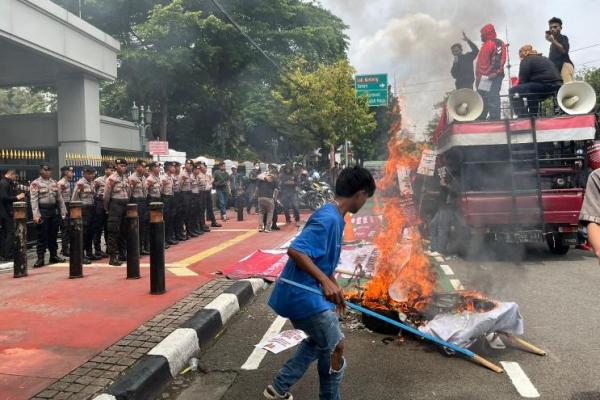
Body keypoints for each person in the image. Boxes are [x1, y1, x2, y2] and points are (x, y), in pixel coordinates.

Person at [265, 166, 376, 400]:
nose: (365, 202)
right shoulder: (328, 218)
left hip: (304, 295)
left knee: (319, 341)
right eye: (367, 197)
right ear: (360, 194)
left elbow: (322, 261)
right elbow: (296, 250)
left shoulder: (336, 217)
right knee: (335, 346)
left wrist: (333, 285)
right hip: (301, 296)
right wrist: (325, 281)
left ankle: (278, 387)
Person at [509, 45, 562, 117]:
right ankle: (532, 115)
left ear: (524, 53)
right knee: (530, 91)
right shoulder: (543, 58)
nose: (520, 56)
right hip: (557, 85)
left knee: (513, 91)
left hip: (545, 85)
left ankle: (522, 115)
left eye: (520, 53)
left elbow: (523, 81)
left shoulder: (526, 60)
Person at [30, 164, 67, 267]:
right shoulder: (35, 183)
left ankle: (53, 256)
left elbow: (59, 198)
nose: (48, 172)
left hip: (53, 211)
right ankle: (40, 258)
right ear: (41, 171)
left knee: (53, 235)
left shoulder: (54, 182)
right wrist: (36, 215)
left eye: (49, 170)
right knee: (42, 236)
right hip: (42, 210)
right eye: (46, 170)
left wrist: (63, 211)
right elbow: (34, 201)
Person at [476, 24, 506, 120]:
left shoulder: (497, 42)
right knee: (482, 97)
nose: (480, 36)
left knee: (492, 95)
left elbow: (498, 57)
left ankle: (495, 118)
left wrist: (495, 72)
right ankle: (481, 117)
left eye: (482, 34)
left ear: (487, 33)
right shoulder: (485, 45)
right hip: (484, 77)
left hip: (493, 75)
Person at [104, 159, 131, 266]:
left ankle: (122, 253)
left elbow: (128, 192)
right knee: (113, 231)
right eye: (120, 165)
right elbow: (106, 196)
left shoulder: (126, 178)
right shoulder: (111, 179)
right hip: (115, 205)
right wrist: (107, 208)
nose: (123, 167)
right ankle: (113, 257)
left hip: (125, 204)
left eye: (124, 165)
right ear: (116, 166)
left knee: (124, 230)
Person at [71, 166, 97, 263]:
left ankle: (89, 253)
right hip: (84, 210)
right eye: (89, 174)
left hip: (91, 208)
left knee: (91, 232)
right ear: (84, 174)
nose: (91, 175)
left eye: (92, 174)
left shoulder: (92, 182)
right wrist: (75, 211)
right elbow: (74, 198)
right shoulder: (80, 183)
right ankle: (81, 255)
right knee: (84, 233)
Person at [0, 169, 26, 261]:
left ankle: (4, 253)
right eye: (15, 176)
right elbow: (4, 197)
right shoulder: (4, 183)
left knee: (5, 233)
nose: (15, 178)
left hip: (4, 212)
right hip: (5, 212)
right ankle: (7, 254)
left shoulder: (5, 182)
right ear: (11, 174)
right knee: (10, 232)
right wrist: (16, 197)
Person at [129, 160, 150, 255]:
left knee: (143, 226)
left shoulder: (143, 178)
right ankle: (136, 249)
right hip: (135, 202)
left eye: (144, 167)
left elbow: (145, 191)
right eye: (141, 166)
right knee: (136, 226)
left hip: (143, 202)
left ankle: (141, 247)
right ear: (136, 167)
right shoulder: (132, 178)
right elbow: (129, 193)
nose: (143, 168)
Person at [93, 164, 113, 258]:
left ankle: (109, 248)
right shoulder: (98, 180)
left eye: (113, 169)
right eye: (109, 169)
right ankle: (97, 250)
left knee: (108, 228)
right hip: (100, 205)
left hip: (110, 204)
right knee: (98, 228)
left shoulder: (114, 180)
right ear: (105, 170)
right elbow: (93, 191)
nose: (111, 171)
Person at [547, 17, 574, 83]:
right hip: (556, 70)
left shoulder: (564, 37)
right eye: (551, 27)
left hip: (565, 65)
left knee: (567, 86)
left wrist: (553, 41)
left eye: (555, 27)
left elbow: (564, 50)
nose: (553, 29)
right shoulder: (552, 45)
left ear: (560, 28)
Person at [57, 166, 74, 257]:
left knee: (68, 228)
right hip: (63, 206)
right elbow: (59, 198)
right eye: (70, 172)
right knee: (65, 228)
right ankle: (64, 249)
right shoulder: (61, 183)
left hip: (68, 204)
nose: (72, 173)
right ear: (65, 172)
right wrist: (63, 209)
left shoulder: (67, 182)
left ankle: (66, 248)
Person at [200, 163, 222, 228]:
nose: (203, 169)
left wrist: (211, 181)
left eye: (204, 167)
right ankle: (202, 223)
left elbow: (212, 180)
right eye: (201, 168)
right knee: (202, 208)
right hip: (202, 192)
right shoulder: (199, 175)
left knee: (210, 207)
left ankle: (213, 221)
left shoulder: (207, 175)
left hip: (208, 192)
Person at [161, 162, 178, 245]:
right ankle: (165, 239)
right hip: (166, 198)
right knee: (166, 219)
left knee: (171, 218)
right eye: (172, 167)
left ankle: (170, 237)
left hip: (171, 198)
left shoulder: (171, 177)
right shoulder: (163, 178)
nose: (174, 168)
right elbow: (161, 190)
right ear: (168, 168)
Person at [172, 162, 187, 242]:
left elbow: (181, 187)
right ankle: (176, 234)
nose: (177, 168)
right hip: (174, 196)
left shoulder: (181, 176)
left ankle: (180, 232)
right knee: (175, 216)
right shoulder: (171, 177)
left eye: (178, 167)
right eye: (176, 167)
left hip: (180, 195)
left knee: (180, 215)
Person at [190, 163, 204, 236]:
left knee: (197, 212)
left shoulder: (197, 177)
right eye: (197, 169)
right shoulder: (191, 177)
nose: (199, 170)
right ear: (194, 170)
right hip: (192, 196)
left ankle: (196, 228)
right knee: (192, 214)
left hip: (198, 195)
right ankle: (192, 229)